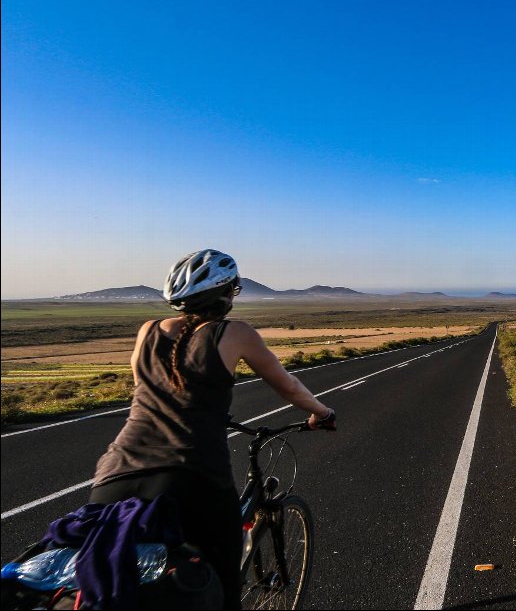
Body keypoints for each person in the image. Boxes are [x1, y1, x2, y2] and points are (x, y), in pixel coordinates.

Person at [88, 249, 336, 609]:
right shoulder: (234, 333)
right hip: (191, 475)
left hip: (114, 474)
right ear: (224, 294)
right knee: (221, 587)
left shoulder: (148, 330)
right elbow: (289, 387)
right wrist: (323, 412)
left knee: (115, 581)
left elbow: (146, 387)